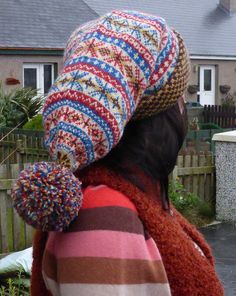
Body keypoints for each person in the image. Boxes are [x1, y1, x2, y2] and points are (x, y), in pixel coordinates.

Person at [12, 10, 224, 296]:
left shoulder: (129, 197)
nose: (185, 107)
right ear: (164, 116)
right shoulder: (103, 214)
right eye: (182, 95)